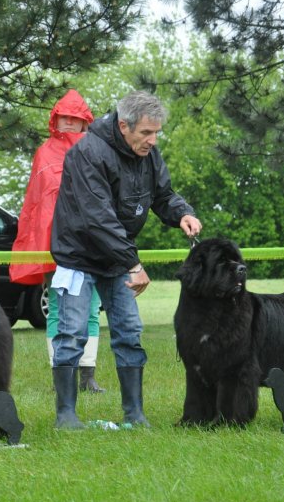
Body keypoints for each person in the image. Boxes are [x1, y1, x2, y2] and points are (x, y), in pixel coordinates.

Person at [49, 90, 202, 429]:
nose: (153, 139)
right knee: (72, 334)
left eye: (157, 132)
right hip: (78, 257)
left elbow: (163, 195)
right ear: (124, 125)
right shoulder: (87, 152)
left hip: (116, 257)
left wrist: (182, 214)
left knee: (130, 333)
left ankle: (135, 414)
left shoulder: (148, 154)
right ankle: (66, 416)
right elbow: (96, 218)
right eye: (147, 132)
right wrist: (134, 264)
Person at [10, 89, 105, 394]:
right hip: (58, 249)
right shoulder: (44, 153)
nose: (68, 123)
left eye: (74, 118)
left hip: (92, 245)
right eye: (63, 117)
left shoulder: (97, 150)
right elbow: (36, 206)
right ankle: (60, 375)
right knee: (59, 310)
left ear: (84, 122)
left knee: (90, 309)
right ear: (55, 118)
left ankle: (87, 375)